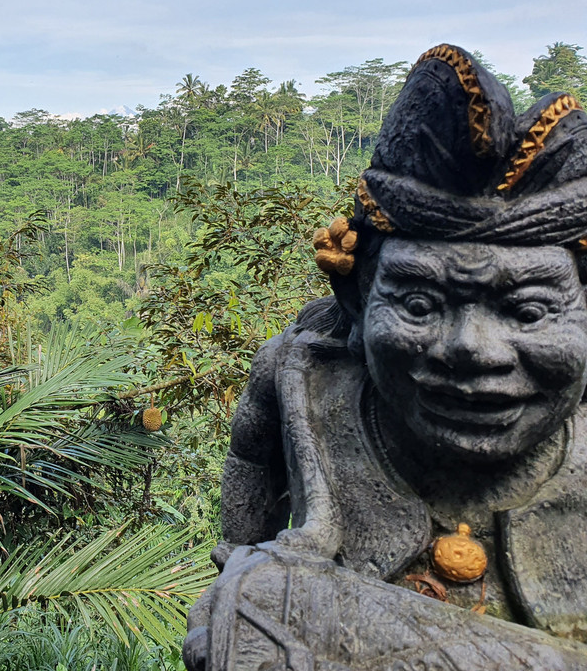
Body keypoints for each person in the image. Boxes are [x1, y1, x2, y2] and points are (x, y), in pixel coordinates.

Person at [184, 45, 587, 670]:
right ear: (355, 299)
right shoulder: (306, 383)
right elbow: (248, 472)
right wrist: (242, 570)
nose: (471, 351)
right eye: (420, 305)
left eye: (528, 312)